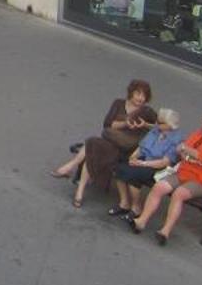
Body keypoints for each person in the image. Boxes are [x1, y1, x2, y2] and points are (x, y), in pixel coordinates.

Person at [52, 80, 156, 208]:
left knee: (93, 146)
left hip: (126, 150)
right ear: (131, 93)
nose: (141, 98)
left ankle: (71, 168)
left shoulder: (147, 111)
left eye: (144, 95)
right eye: (138, 94)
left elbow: (160, 127)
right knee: (93, 145)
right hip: (111, 142)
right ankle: (79, 191)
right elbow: (107, 124)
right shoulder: (118, 103)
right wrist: (125, 123)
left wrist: (145, 125)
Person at [130, 108, 202, 244]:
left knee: (179, 194)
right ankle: (141, 221)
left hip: (201, 180)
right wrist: (185, 151)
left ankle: (165, 231)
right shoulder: (199, 134)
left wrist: (185, 149)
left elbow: (200, 156)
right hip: (183, 172)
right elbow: (181, 151)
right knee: (159, 187)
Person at [109, 108, 184, 217]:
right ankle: (124, 203)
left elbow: (164, 162)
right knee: (118, 168)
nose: (156, 124)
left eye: (160, 122)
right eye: (157, 121)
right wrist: (133, 157)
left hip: (157, 167)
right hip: (145, 160)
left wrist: (142, 164)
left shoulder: (176, 140)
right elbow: (141, 147)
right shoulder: (156, 130)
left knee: (132, 176)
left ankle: (136, 207)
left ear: (169, 125)